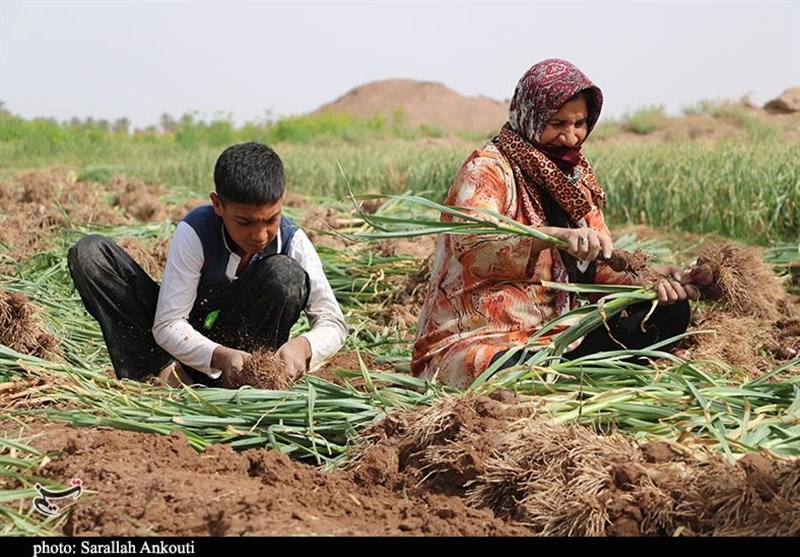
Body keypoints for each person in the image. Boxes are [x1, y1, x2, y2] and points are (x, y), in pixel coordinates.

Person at [411, 58, 694, 389]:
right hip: (481, 339)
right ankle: (566, 376)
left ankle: (569, 372)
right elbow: (476, 248)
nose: (571, 137)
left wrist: (653, 280)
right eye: (557, 123)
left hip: (558, 338)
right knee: (509, 370)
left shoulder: (574, 179)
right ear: (530, 115)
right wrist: (549, 237)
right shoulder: (487, 170)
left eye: (580, 123)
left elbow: (601, 269)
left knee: (668, 312)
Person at [68, 141, 347, 388]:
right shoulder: (196, 232)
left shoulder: (293, 240)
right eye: (244, 222)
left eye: (270, 220)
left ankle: (253, 385)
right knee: (90, 254)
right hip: (182, 352)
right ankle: (161, 377)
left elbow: (333, 322)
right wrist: (221, 356)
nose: (260, 235)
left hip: (247, 364)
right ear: (218, 205)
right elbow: (168, 324)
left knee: (285, 276)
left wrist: (303, 347)